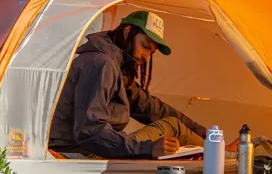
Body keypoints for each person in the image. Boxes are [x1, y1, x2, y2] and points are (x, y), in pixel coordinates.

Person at [49, 10, 207, 159]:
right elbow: (90, 132)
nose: (146, 57)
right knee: (173, 126)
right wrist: (147, 148)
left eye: (151, 53)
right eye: (145, 46)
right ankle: (221, 154)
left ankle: (216, 147)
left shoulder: (114, 63)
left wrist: (205, 133)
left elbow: (148, 106)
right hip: (80, 153)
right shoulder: (101, 63)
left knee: (171, 122)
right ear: (127, 31)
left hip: (85, 148)